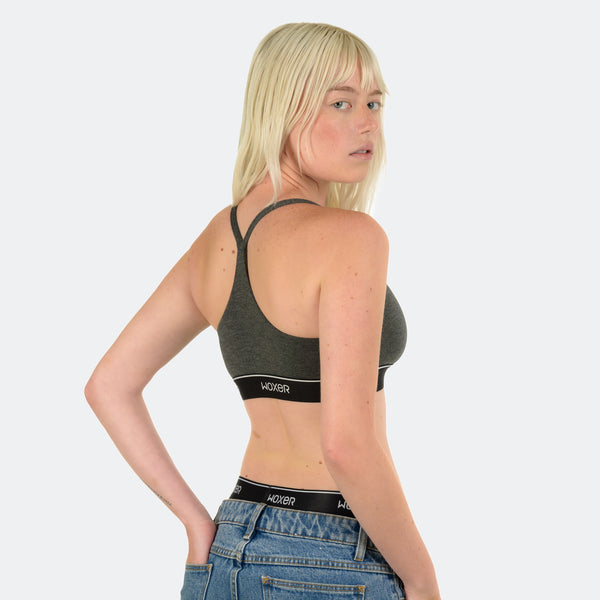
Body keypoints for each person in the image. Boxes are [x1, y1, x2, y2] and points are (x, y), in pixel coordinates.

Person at [85, 22, 441, 600]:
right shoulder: (351, 237)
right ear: (283, 108)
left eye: (374, 102)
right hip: (331, 558)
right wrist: (421, 579)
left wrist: (198, 524)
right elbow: (346, 445)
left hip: (230, 549)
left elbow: (108, 385)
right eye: (341, 103)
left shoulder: (219, 239)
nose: (367, 123)